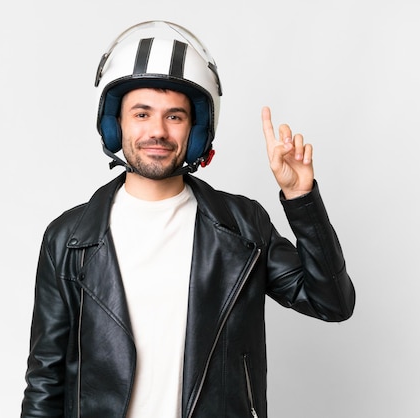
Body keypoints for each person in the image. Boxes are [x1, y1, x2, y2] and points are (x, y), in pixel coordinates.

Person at [21, 20, 355, 418]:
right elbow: (46, 377)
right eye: (141, 114)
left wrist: (300, 198)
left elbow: (332, 303)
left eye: (174, 117)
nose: (157, 131)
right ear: (116, 125)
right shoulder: (68, 238)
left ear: (196, 132)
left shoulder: (244, 226)